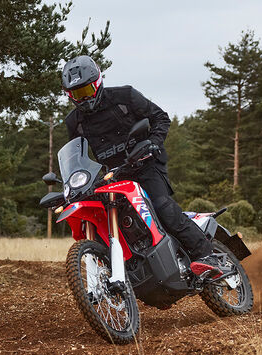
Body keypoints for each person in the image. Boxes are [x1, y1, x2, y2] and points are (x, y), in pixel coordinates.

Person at [61, 55, 221, 276]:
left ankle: (206, 255)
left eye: (87, 90)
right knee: (102, 219)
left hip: (145, 164)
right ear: (70, 95)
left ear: (97, 83)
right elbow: (75, 156)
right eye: (78, 94)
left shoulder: (124, 96)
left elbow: (161, 118)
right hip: (112, 177)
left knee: (161, 206)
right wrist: (73, 183)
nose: (84, 98)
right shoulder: (74, 121)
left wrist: (153, 143)